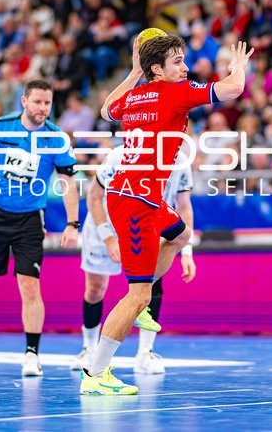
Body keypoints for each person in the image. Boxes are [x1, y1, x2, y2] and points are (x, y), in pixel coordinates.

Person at [78, 34, 253, 395]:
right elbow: (234, 88)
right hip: (133, 202)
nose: (185, 67)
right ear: (157, 69)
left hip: (145, 197)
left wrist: (133, 73)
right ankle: (94, 373)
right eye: (177, 61)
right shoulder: (176, 92)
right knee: (136, 294)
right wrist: (239, 67)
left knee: (181, 234)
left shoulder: (134, 95)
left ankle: (141, 299)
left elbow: (105, 110)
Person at [0, 79, 80, 377]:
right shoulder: (1, 127)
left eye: (47, 103)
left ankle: (31, 354)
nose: (43, 108)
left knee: (29, 284)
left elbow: (67, 182)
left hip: (29, 219)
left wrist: (72, 223)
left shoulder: (56, 138)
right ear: (24, 101)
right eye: (37, 102)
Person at [72, 145, 196, 375]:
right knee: (95, 289)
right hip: (107, 227)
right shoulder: (121, 156)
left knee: (148, 287)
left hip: (149, 225)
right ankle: (88, 349)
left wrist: (187, 251)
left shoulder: (180, 162)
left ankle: (144, 353)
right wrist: (108, 238)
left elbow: (184, 206)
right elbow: (94, 197)